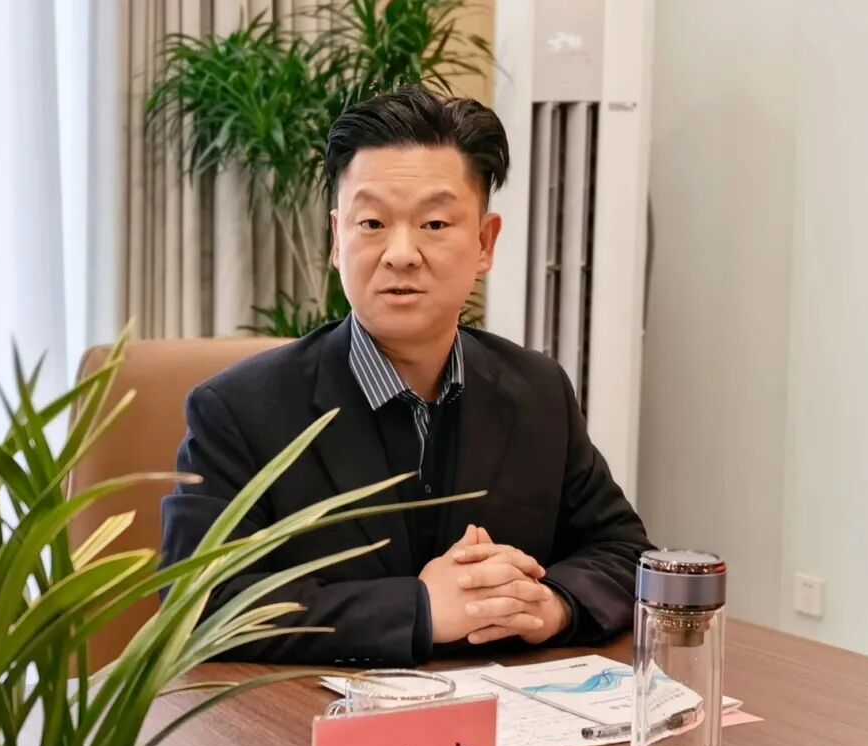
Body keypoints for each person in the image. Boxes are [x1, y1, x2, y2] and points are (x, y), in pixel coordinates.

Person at [161, 84, 653, 665]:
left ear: (485, 242)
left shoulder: (537, 391)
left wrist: (552, 604)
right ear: (337, 240)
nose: (400, 253)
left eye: (435, 224)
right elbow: (199, 604)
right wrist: (419, 609)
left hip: (506, 712)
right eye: (372, 222)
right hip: (316, 716)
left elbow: (625, 552)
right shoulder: (239, 410)